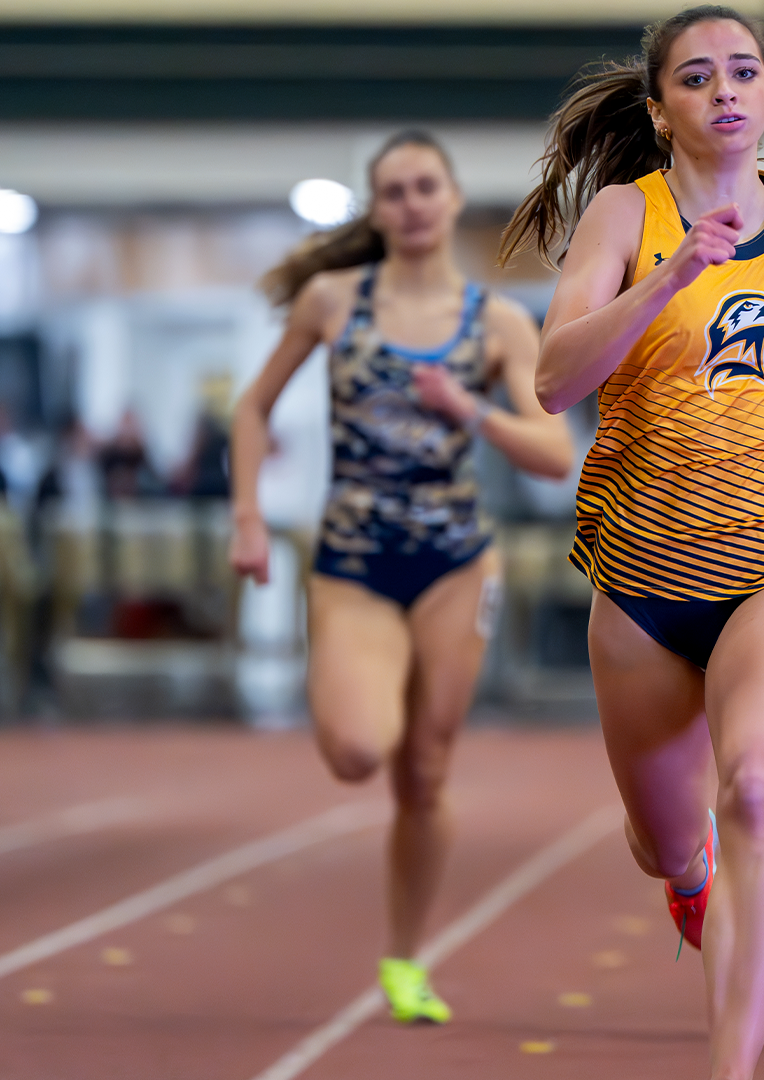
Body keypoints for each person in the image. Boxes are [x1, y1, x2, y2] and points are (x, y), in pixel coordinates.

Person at [501, 8, 764, 1076]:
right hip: (645, 579)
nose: (724, 91)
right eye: (697, 77)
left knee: (753, 791)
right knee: (665, 842)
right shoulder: (624, 216)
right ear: (661, 110)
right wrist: (670, 277)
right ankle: (688, 874)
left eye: (744, 72)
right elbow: (553, 380)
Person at [230, 130, 574, 1024]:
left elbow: (553, 453)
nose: (413, 204)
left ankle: (405, 960)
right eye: (394, 192)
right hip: (354, 559)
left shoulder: (496, 321)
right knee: (357, 750)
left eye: (426, 187)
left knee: (424, 773)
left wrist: (472, 412)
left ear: (453, 199)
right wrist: (248, 517)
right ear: (376, 210)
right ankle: (364, 702)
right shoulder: (333, 300)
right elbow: (253, 408)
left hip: (456, 560)